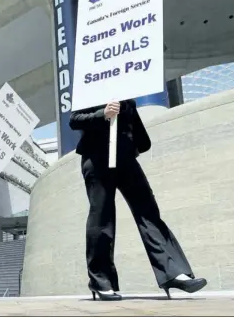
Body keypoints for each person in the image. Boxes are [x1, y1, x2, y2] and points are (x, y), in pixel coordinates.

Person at [69, 99, 207, 301]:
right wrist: (103, 114)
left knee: (149, 212)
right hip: (97, 157)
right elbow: (74, 120)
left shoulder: (127, 94)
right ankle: (100, 281)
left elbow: (140, 136)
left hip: (125, 158)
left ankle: (173, 273)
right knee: (102, 217)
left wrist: (132, 139)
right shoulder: (92, 89)